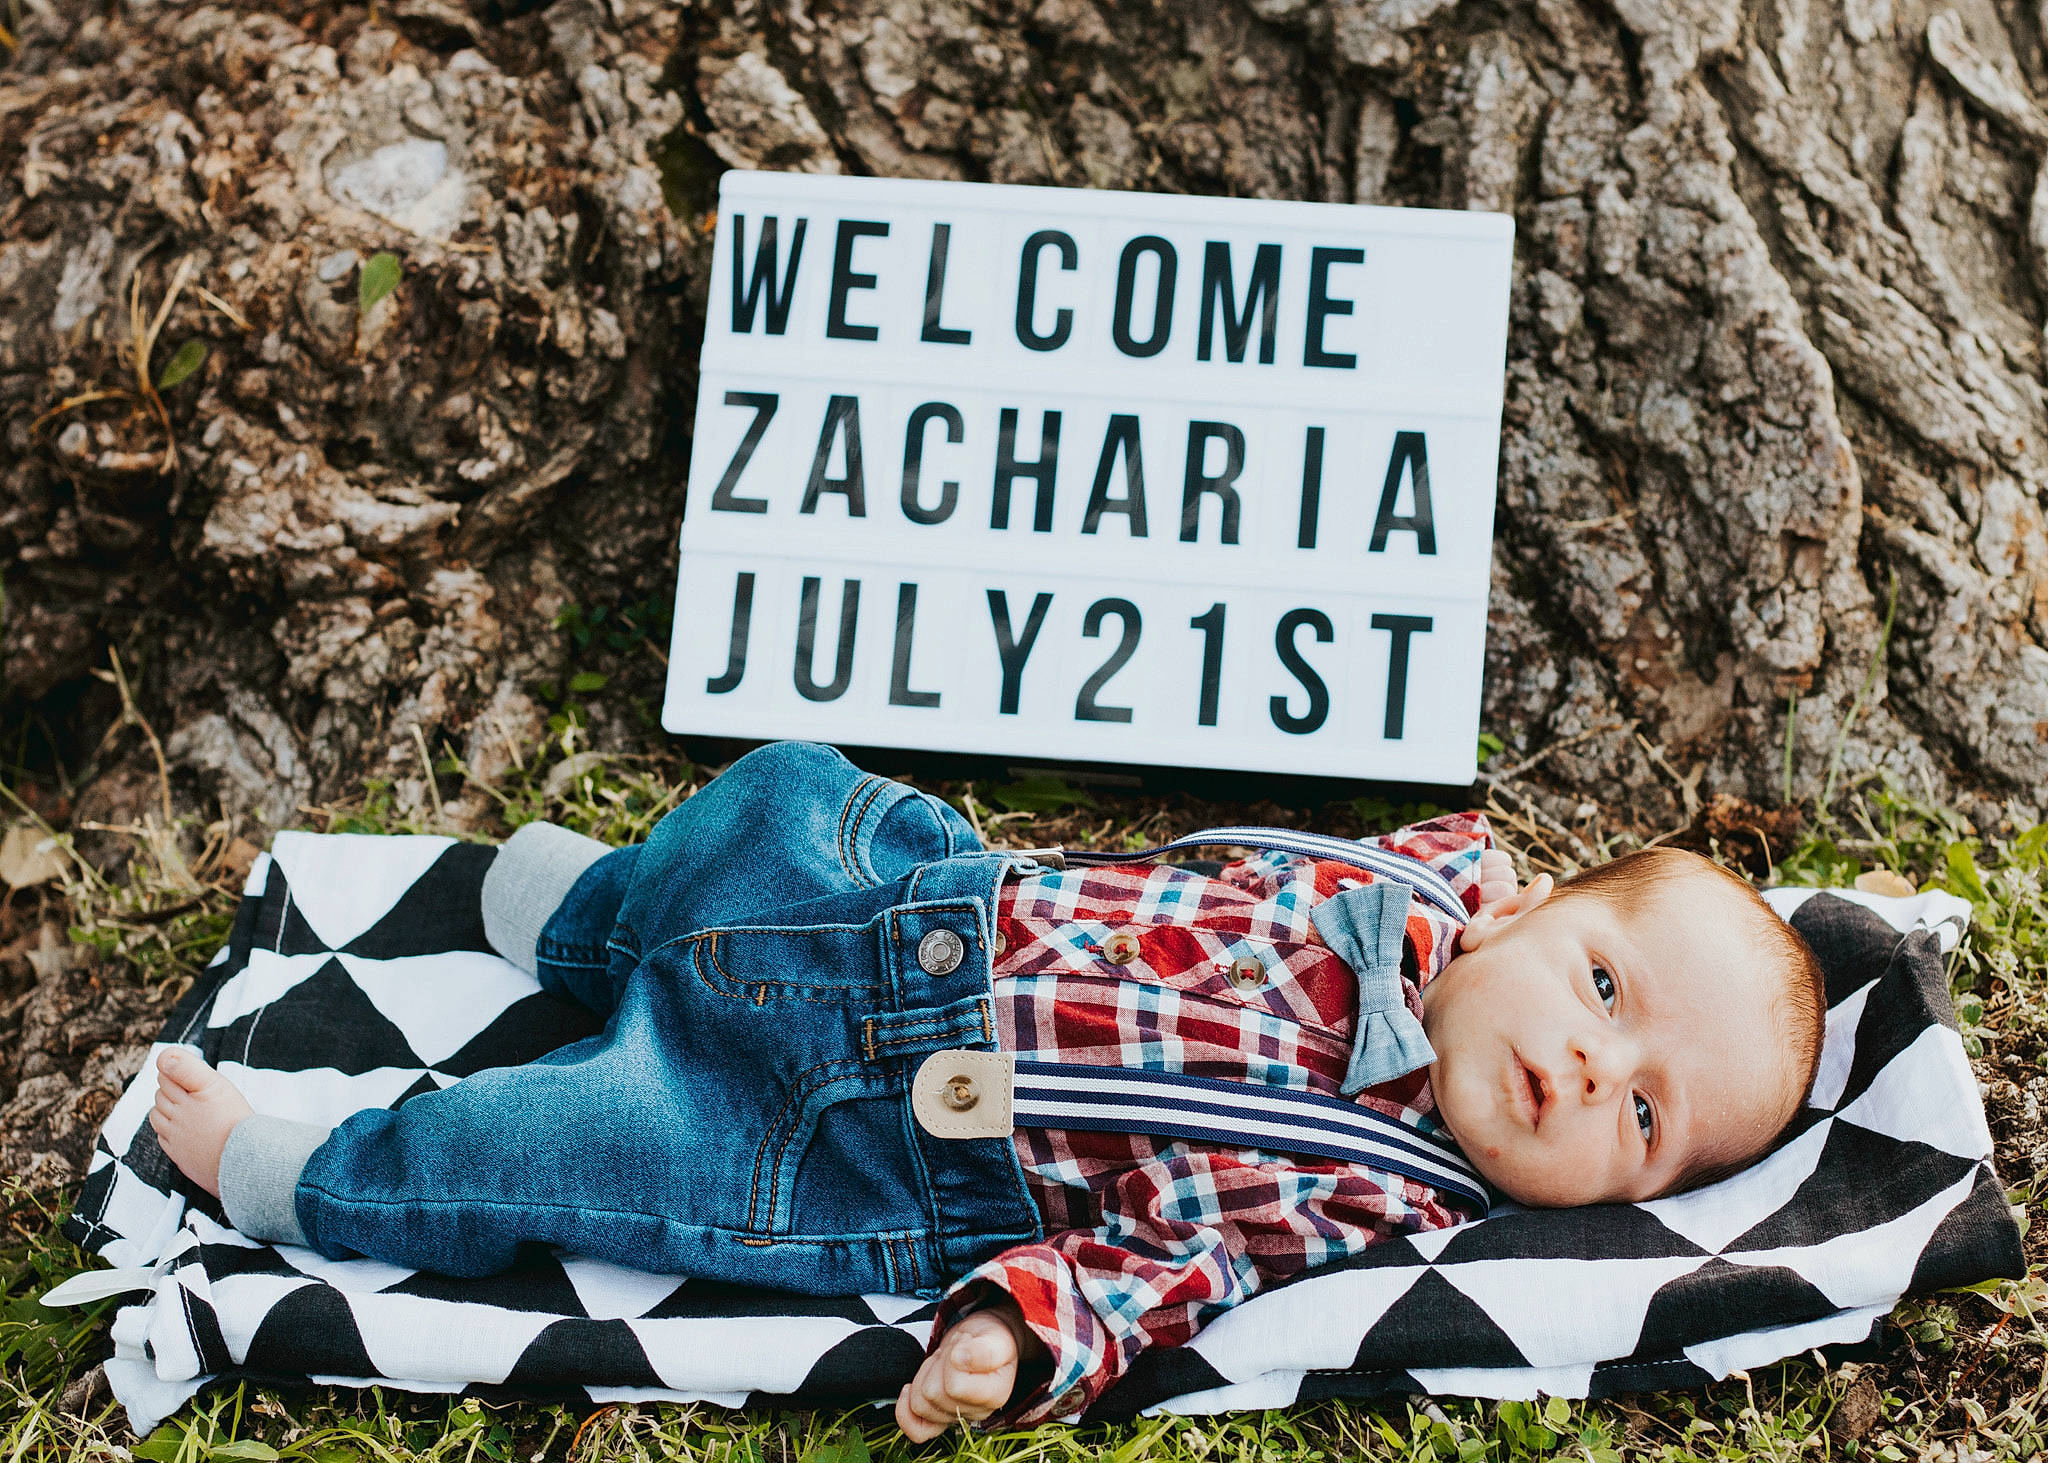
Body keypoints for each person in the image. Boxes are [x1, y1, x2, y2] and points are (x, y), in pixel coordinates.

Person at [146, 741, 1825, 1438]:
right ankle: (602, 922)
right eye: (1608, 990)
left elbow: (1170, 1277)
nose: (1597, 1063)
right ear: (1521, 905)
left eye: (1648, 1117)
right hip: (903, 901)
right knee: (776, 799)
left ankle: (304, 1175)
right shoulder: (1409, 878)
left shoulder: (1364, 1187)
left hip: (859, 1133)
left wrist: (1015, 1333)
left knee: (566, 1150)